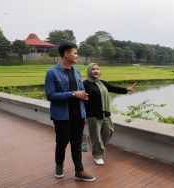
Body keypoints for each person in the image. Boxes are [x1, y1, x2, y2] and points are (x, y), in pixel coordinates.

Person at [44, 42, 95, 182]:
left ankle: (79, 171)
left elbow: (80, 93)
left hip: (78, 114)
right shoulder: (52, 72)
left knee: (77, 144)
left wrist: (83, 99)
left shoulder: (77, 72)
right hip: (62, 116)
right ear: (66, 54)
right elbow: (50, 96)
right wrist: (73, 94)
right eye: (75, 53)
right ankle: (59, 166)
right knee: (62, 143)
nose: (77, 55)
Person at [83, 63, 136, 165]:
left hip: (105, 113)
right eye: (93, 69)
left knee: (109, 131)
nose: (96, 71)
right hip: (93, 115)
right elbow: (82, 101)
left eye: (97, 69)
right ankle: (97, 156)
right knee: (96, 137)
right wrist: (83, 115)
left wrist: (126, 89)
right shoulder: (85, 84)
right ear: (89, 71)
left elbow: (113, 88)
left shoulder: (102, 83)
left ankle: (98, 149)